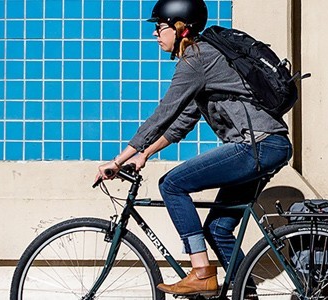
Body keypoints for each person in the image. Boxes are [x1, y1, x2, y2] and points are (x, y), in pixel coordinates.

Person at [94, 0, 293, 297]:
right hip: (267, 144)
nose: (155, 34)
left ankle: (201, 272)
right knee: (218, 230)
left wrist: (118, 159)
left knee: (172, 184)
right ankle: (245, 294)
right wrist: (144, 153)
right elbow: (183, 119)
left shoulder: (195, 59)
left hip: (257, 144)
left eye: (160, 27)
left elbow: (165, 112)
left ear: (180, 28)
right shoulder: (204, 60)